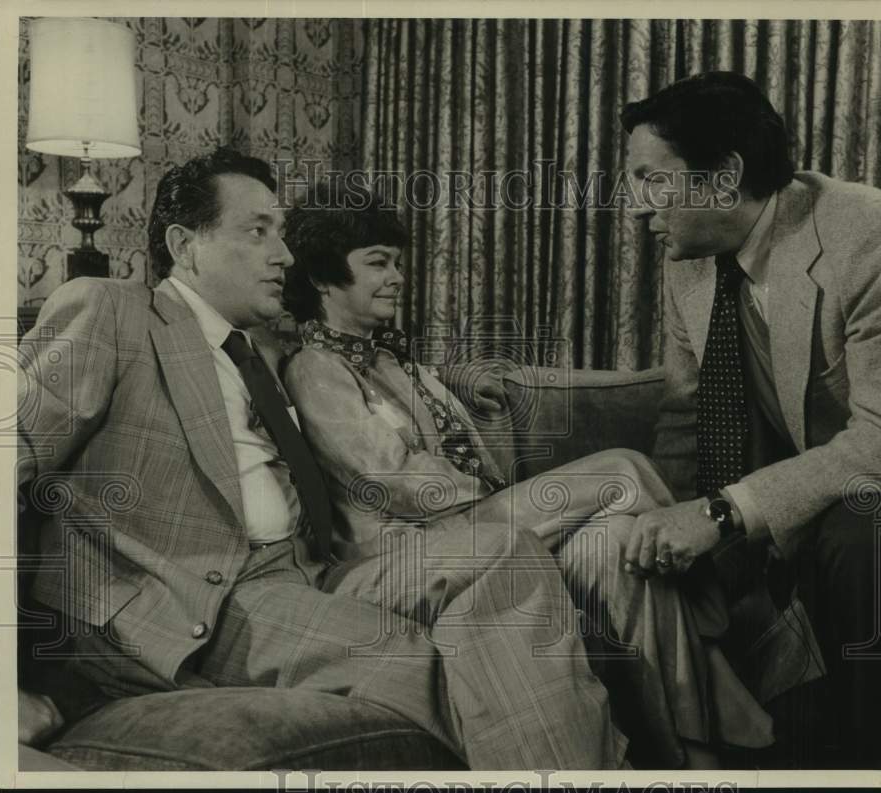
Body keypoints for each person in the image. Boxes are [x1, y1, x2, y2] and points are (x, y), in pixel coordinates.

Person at [15, 147, 631, 770]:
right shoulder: (112, 312)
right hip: (205, 598)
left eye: (281, 234)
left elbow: (360, 375)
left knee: (504, 550)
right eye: (258, 232)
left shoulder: (261, 349)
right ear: (184, 244)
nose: (283, 255)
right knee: (435, 665)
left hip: (319, 570)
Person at [279, 191, 775, 768]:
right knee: (622, 469)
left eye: (397, 262)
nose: (397, 277)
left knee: (617, 541)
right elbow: (388, 477)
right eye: (378, 262)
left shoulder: (390, 359)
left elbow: (425, 410)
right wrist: (497, 496)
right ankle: (720, 608)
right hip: (419, 546)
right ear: (322, 276)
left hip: (474, 525)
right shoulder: (315, 369)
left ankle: (686, 754)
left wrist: (462, 382)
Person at [620, 71, 881, 768]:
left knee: (870, 528)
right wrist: (664, 519)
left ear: (723, 179)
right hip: (817, 471)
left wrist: (723, 513)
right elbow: (687, 418)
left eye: (653, 179)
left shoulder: (864, 228)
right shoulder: (688, 262)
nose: (636, 206)